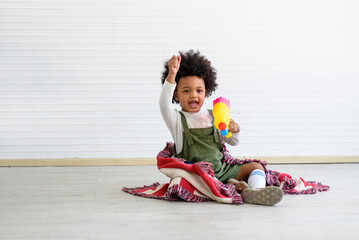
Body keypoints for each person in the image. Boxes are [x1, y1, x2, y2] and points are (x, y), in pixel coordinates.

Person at [159, 50, 283, 206]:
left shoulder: (214, 115)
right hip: (199, 176)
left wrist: (234, 129)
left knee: (256, 167)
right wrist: (172, 74)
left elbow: (232, 142)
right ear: (176, 95)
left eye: (199, 90)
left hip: (223, 169)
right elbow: (164, 104)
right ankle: (233, 187)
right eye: (186, 91)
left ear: (206, 92)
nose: (193, 95)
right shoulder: (176, 120)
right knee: (179, 183)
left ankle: (256, 191)